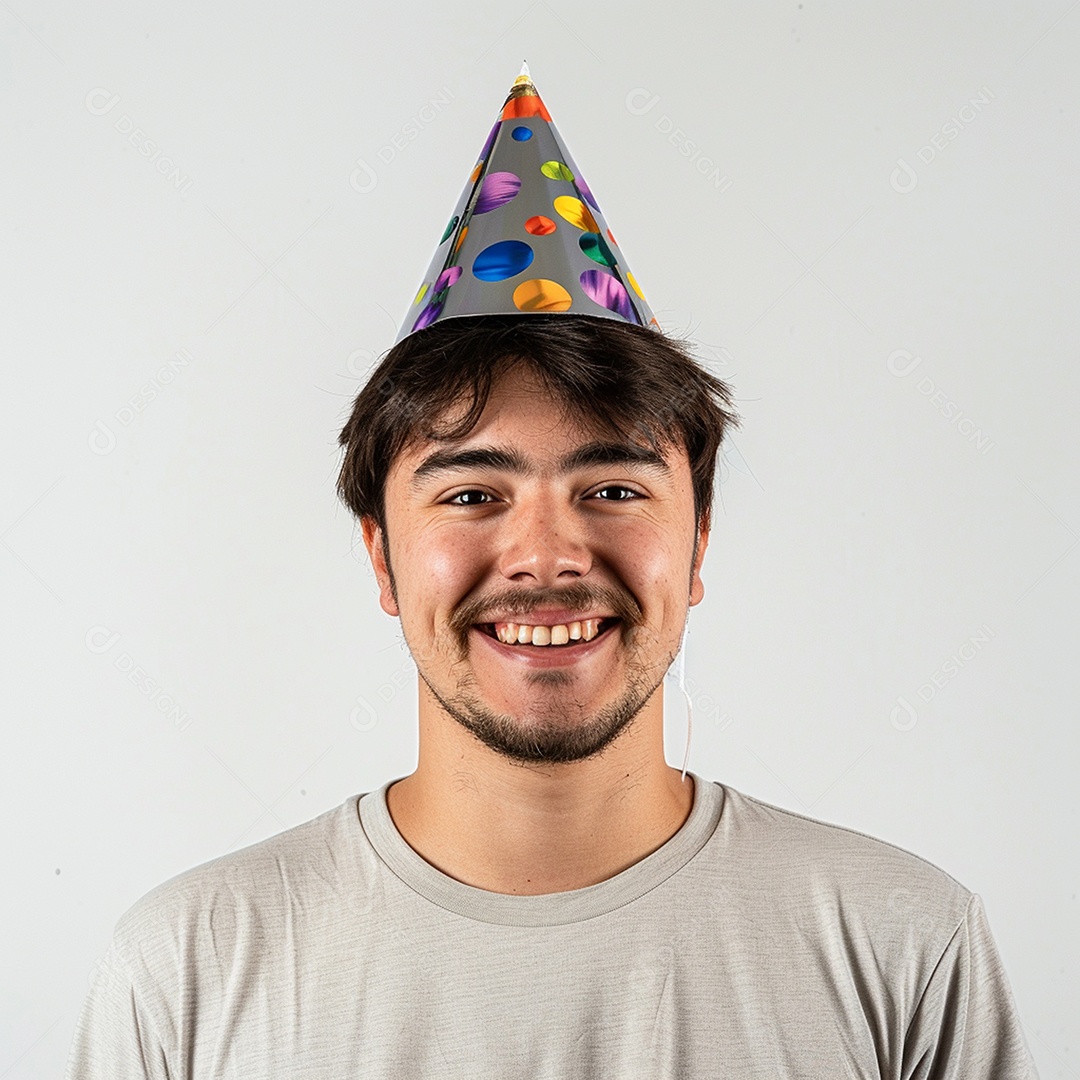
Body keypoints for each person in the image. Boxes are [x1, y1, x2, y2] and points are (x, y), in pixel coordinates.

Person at [65, 67, 1040, 1078]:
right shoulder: (188, 971)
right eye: (472, 494)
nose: (546, 556)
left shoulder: (905, 948)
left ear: (699, 542)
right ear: (382, 558)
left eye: (612, 489)